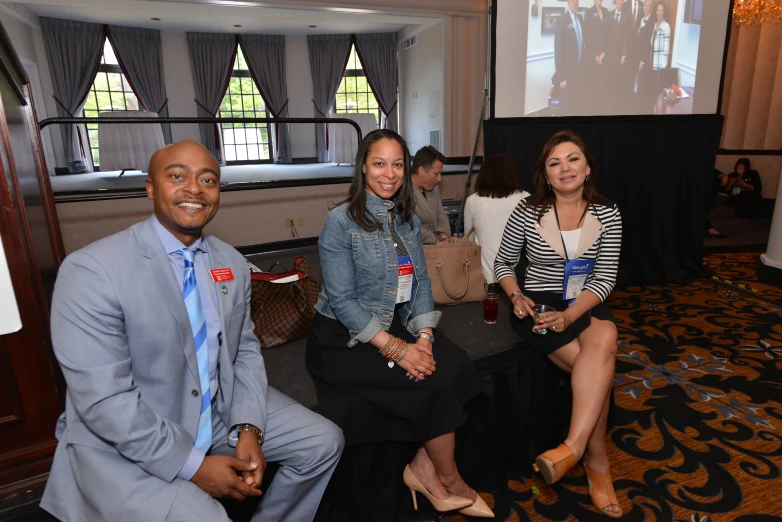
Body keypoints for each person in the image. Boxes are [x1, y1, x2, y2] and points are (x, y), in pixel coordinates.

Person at [41, 140, 344, 522]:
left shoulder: (230, 262)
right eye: (177, 176)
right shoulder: (92, 271)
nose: (195, 189)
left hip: (215, 408)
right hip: (131, 434)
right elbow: (105, 402)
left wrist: (249, 424)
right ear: (151, 187)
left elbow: (245, 349)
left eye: (208, 179)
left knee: (323, 442)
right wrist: (194, 465)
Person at [306, 129, 493, 518]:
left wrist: (423, 336)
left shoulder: (405, 218)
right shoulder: (339, 223)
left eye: (396, 165)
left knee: (455, 363)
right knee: (427, 383)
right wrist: (397, 349)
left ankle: (423, 466)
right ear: (362, 166)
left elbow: (421, 281)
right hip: (344, 338)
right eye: (379, 163)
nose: (389, 174)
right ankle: (450, 480)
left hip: (400, 321)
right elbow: (342, 302)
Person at [494, 130, 623, 518]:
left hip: (583, 302)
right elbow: (502, 265)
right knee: (602, 367)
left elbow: (604, 278)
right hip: (539, 305)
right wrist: (516, 296)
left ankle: (574, 447)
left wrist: (571, 315)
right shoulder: (528, 212)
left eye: (572, 159)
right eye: (554, 162)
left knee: (605, 334)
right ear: (545, 175)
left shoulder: (608, 213)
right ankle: (596, 464)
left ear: (587, 168)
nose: (564, 168)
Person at [464, 155, 530, 285]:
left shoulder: (473, 200)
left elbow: (469, 241)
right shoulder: (526, 198)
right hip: (518, 278)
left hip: (485, 279)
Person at [411, 145, 451, 244]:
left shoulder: (433, 188)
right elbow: (408, 227)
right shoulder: (402, 190)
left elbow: (441, 214)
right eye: (436, 174)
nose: (439, 179)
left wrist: (444, 237)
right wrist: (435, 239)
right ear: (421, 171)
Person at [553, 0, 586, 115]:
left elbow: (581, 44)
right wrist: (562, 78)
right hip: (567, 76)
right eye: (572, 0)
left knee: (576, 107)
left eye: (577, 0)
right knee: (566, 109)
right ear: (568, 2)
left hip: (579, 74)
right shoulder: (562, 21)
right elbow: (558, 51)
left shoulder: (581, 19)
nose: (575, 2)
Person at [641, 1, 671, 105]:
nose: (659, 13)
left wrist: (663, 66)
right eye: (658, 10)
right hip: (651, 64)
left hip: (659, 66)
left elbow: (666, 49)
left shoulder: (666, 26)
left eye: (662, 10)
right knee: (650, 92)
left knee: (657, 93)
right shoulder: (653, 24)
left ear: (664, 12)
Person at [583, 0, 610, 112]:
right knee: (594, 87)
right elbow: (586, 37)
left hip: (605, 56)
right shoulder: (589, 12)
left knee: (604, 87)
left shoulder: (606, 11)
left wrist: (604, 53)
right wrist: (595, 56)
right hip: (593, 58)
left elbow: (610, 34)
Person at [631, 0, 655, 111]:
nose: (646, 8)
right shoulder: (641, 19)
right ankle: (636, 106)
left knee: (641, 84)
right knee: (636, 81)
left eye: (648, 6)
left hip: (643, 60)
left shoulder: (651, 22)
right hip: (636, 57)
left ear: (651, 8)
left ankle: (640, 110)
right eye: (645, 5)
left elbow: (648, 44)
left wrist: (643, 61)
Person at [608, 0, 632, 111]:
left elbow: (626, 38)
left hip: (620, 56)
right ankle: (610, 104)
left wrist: (624, 55)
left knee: (619, 80)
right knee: (610, 79)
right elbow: (605, 34)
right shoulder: (609, 14)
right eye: (619, 0)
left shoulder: (626, 17)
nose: (620, 2)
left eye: (622, 1)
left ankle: (617, 106)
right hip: (609, 54)